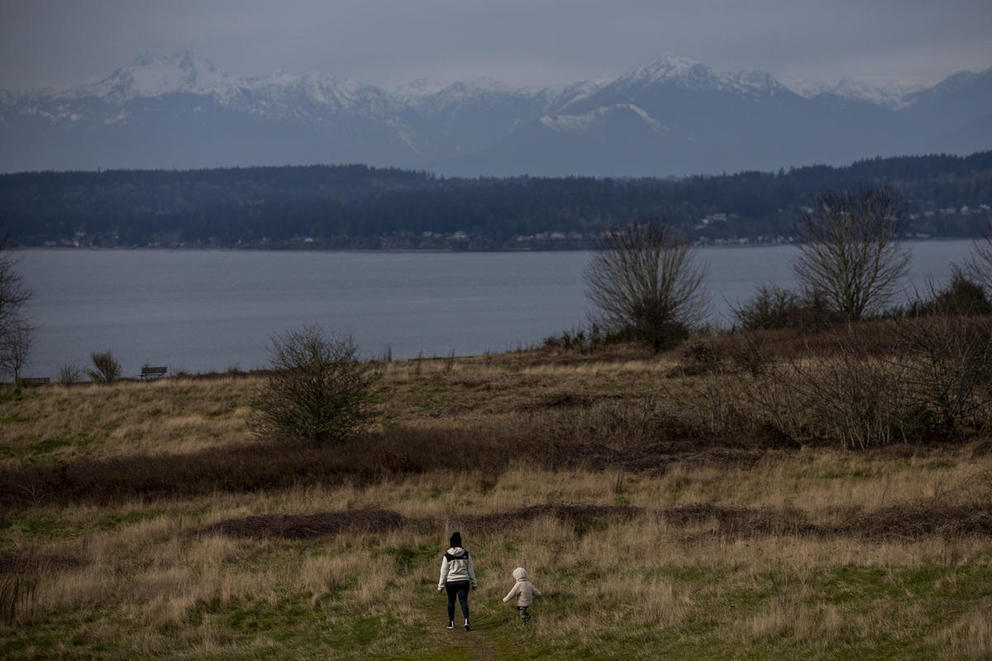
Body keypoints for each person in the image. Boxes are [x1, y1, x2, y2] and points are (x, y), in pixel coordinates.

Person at [437, 531, 477, 631]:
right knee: (463, 601)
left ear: (451, 543)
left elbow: (443, 572)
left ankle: (451, 623)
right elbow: (470, 570)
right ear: (460, 542)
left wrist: (440, 586)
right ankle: (467, 621)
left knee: (451, 602)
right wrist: (474, 583)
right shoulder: (466, 554)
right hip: (464, 581)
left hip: (451, 582)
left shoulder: (447, 556)